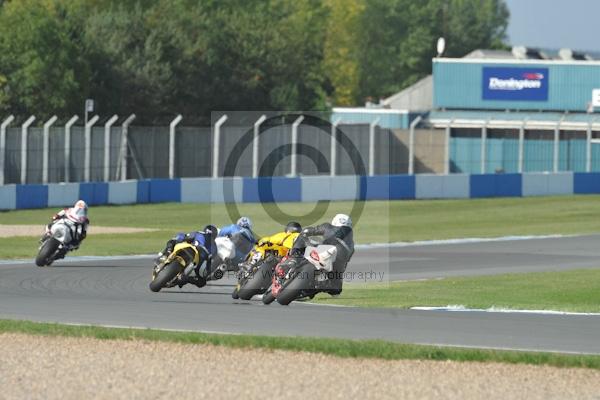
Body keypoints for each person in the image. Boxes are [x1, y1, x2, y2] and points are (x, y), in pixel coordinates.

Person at [289, 213, 354, 295]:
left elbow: (309, 231)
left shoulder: (328, 227)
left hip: (323, 251)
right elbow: (344, 264)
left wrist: (305, 234)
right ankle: (312, 288)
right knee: (336, 288)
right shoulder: (351, 245)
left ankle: (293, 258)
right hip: (335, 263)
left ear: (335, 221)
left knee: (302, 236)